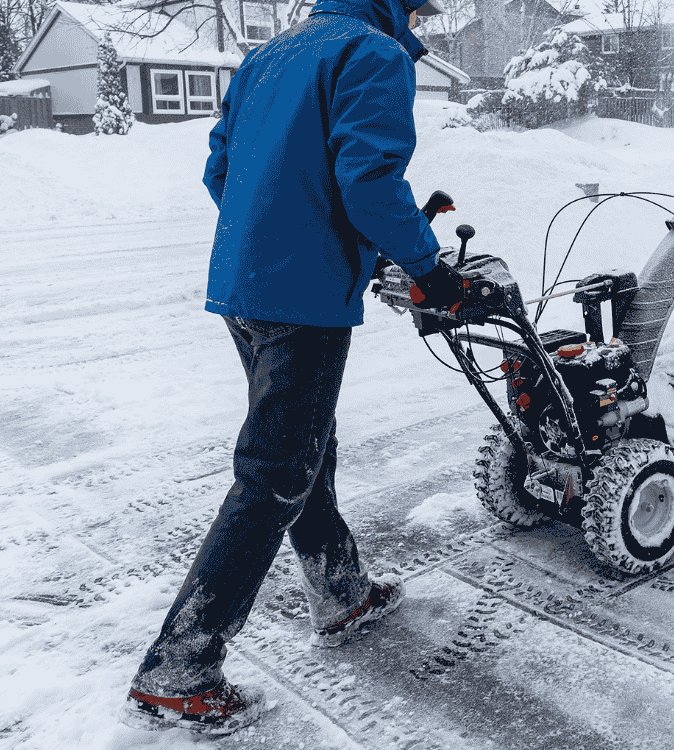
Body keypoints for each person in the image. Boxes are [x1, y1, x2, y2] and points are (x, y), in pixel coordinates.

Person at [119, 0, 463, 735]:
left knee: (302, 448)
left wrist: (280, 225)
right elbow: (367, 181)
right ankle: (179, 669)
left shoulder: (268, 55)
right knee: (274, 472)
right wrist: (425, 267)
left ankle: (342, 593)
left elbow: (221, 168)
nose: (419, 18)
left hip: (242, 284)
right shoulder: (372, 55)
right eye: (418, 6)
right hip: (302, 298)